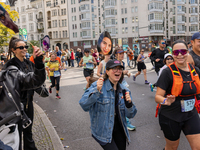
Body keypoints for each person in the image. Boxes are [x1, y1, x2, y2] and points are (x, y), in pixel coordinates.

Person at [79, 59, 137, 150]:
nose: (118, 71)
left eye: (120, 69)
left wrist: (129, 104)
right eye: (114, 68)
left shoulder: (125, 91)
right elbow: (83, 104)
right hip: (103, 131)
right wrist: (96, 91)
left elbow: (131, 115)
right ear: (107, 71)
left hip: (120, 130)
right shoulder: (97, 86)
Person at [155, 40, 200, 150]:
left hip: (190, 114)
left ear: (187, 52)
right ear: (173, 54)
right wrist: (166, 101)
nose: (180, 55)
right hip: (171, 116)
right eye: (176, 52)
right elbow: (158, 96)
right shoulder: (167, 72)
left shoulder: (195, 70)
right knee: (172, 147)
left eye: (183, 51)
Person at [4, 37, 45, 150]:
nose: (24, 49)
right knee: (16, 133)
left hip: (28, 102)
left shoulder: (28, 63)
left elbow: (35, 80)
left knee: (28, 131)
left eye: (25, 47)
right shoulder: (9, 66)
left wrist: (38, 61)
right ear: (14, 50)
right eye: (21, 47)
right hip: (15, 105)